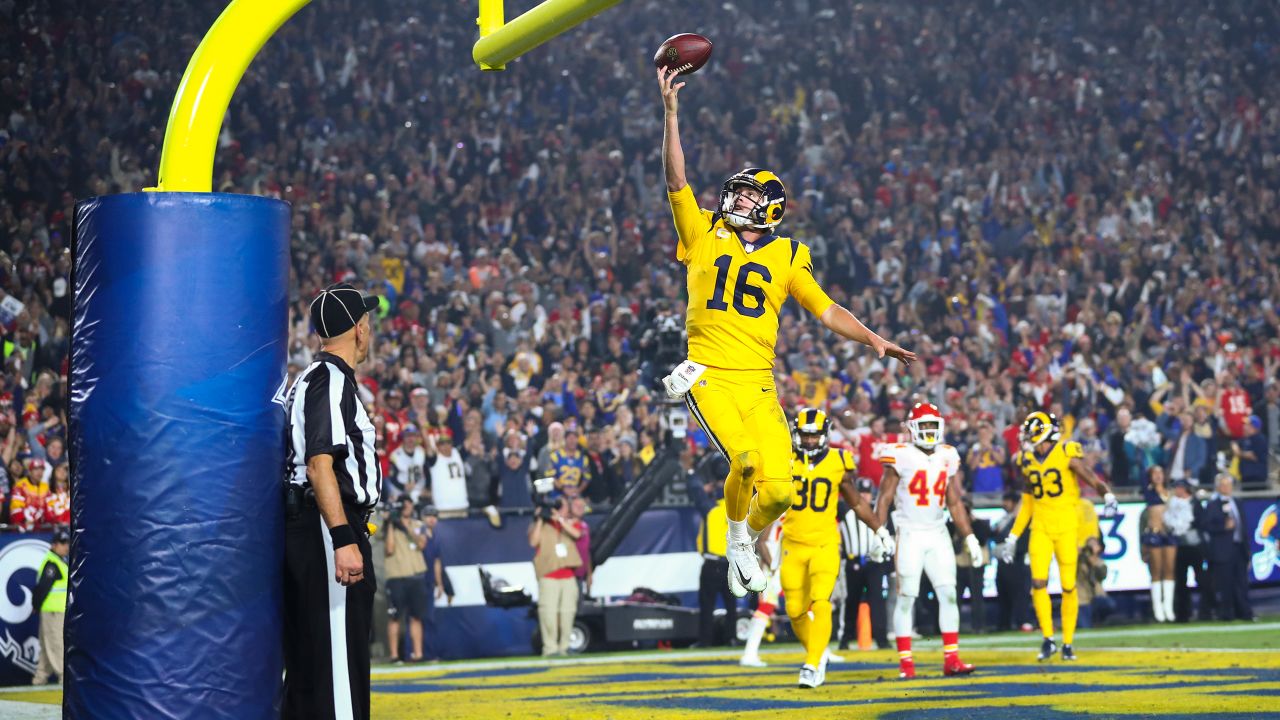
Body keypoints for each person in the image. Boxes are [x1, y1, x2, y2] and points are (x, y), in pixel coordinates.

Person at [655, 65, 915, 600]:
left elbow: (826, 309)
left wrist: (873, 339)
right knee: (746, 463)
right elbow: (677, 180)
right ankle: (735, 538)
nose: (737, 200)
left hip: (758, 383)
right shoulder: (702, 230)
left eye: (749, 197)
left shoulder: (789, 254)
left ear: (770, 210)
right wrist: (671, 114)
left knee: (779, 491)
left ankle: (747, 537)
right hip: (709, 374)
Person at [282, 282, 382, 720]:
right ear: (360, 328)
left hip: (313, 526)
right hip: (326, 527)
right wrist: (343, 537)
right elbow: (320, 463)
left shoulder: (310, 378)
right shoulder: (329, 379)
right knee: (339, 663)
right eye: (368, 322)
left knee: (313, 665)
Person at [782, 408, 890, 688]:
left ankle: (812, 664)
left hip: (825, 543)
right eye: (804, 435)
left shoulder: (839, 461)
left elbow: (855, 502)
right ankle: (818, 654)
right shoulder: (784, 459)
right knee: (794, 610)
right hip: (792, 544)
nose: (808, 441)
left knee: (821, 601)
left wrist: (879, 528)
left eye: (813, 435)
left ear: (825, 435)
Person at [875, 403, 982, 680]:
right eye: (923, 426)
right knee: (906, 597)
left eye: (932, 426)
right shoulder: (900, 454)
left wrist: (969, 536)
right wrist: (879, 530)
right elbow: (884, 497)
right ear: (912, 428)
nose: (928, 431)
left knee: (948, 593)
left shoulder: (947, 455)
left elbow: (954, 501)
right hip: (909, 532)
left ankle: (952, 659)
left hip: (937, 532)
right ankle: (906, 665)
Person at [1000, 411, 1116, 663]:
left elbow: (1089, 475)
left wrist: (1106, 494)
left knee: (1068, 586)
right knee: (1038, 583)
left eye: (1032, 431)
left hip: (1065, 526)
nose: (1028, 437)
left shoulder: (1066, 451)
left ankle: (1068, 642)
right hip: (1040, 528)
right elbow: (1028, 503)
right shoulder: (1027, 460)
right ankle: (1048, 639)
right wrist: (1013, 535)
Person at [838, 478, 890, 651]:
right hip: (853, 561)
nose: (865, 496)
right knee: (851, 601)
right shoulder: (844, 508)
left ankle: (882, 639)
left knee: (878, 601)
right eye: (862, 492)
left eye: (868, 493)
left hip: (874, 562)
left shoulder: (878, 510)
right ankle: (845, 638)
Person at [529, 495, 582, 656]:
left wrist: (559, 519)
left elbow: (577, 534)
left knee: (568, 612)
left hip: (568, 575)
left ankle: (564, 647)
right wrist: (540, 518)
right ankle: (550, 648)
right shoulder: (542, 525)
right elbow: (533, 542)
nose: (559, 509)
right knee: (548, 613)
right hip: (549, 575)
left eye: (562, 506)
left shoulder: (569, 523)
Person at [1203, 474, 1254, 621]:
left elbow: (1244, 529)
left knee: (1242, 583)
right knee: (1225, 584)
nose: (1226, 487)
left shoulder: (1237, 502)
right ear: (1218, 487)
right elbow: (1207, 526)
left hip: (1239, 548)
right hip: (1222, 550)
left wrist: (1247, 551)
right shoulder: (1213, 505)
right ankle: (1226, 614)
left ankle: (1245, 613)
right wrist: (1223, 527)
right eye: (1223, 485)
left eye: (1228, 484)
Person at [384, 497, 428, 663]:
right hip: (396, 576)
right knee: (394, 616)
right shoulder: (390, 527)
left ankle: (418, 654)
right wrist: (390, 523)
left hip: (415, 575)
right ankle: (394, 655)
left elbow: (422, 544)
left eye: (409, 504)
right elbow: (389, 549)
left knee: (416, 616)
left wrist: (406, 528)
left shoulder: (418, 525)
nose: (406, 507)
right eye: (403, 505)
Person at [1165, 479, 1212, 622]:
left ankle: (1206, 611)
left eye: (1178, 488)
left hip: (1195, 547)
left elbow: (1202, 522)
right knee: (1181, 582)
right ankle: (1183, 614)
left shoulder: (1195, 504)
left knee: (1202, 580)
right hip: (1179, 547)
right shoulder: (1172, 504)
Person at [695, 490, 735, 648]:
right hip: (729, 563)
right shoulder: (737, 511)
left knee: (707, 605)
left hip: (711, 563)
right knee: (731, 605)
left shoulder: (710, 511)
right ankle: (731, 638)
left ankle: (705, 641)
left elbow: (700, 539)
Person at [30, 526, 69, 685]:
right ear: (53, 544)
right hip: (53, 610)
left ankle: (40, 678)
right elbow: (42, 588)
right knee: (56, 643)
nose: (66, 546)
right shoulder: (52, 564)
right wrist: (36, 604)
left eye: (67, 542)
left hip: (55, 610)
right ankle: (64, 676)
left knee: (47, 645)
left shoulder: (58, 561)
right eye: (62, 542)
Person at [1141, 466, 1176, 622]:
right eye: (1154, 473)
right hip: (1154, 533)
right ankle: (1158, 609)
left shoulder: (1170, 492)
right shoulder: (1149, 492)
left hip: (1168, 533)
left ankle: (1168, 607)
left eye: (1160, 473)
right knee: (1156, 570)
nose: (1158, 476)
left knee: (1169, 569)